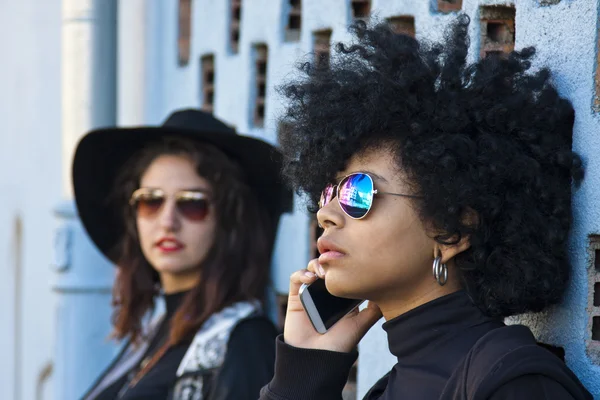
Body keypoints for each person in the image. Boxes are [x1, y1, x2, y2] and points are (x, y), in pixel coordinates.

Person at [259, 16, 592, 400]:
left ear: (451, 231)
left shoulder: (512, 382)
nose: (326, 214)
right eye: (328, 191)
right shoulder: (387, 389)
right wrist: (302, 375)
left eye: (357, 192)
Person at [72, 109, 292, 400]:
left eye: (192, 204)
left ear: (228, 220)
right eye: (151, 201)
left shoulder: (244, 340)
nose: (167, 221)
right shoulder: (154, 331)